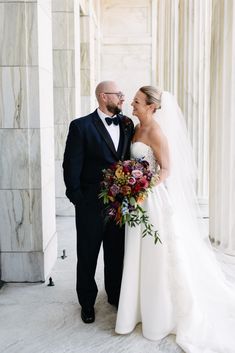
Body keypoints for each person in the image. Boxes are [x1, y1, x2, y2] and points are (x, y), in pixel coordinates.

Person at [115, 86, 235, 352]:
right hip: (136, 202)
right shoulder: (134, 128)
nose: (132, 105)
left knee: (155, 256)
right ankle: (136, 307)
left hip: (151, 201)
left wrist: (142, 187)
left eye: (136, 102)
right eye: (133, 101)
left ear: (151, 106)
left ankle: (158, 314)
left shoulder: (156, 132)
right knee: (136, 253)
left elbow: (167, 169)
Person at [63, 81, 134, 324]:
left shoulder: (127, 124)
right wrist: (78, 199)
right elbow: (70, 165)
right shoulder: (80, 126)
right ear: (104, 97)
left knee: (116, 252)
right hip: (89, 204)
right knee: (87, 254)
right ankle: (86, 303)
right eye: (119, 94)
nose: (123, 99)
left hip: (119, 204)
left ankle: (114, 295)